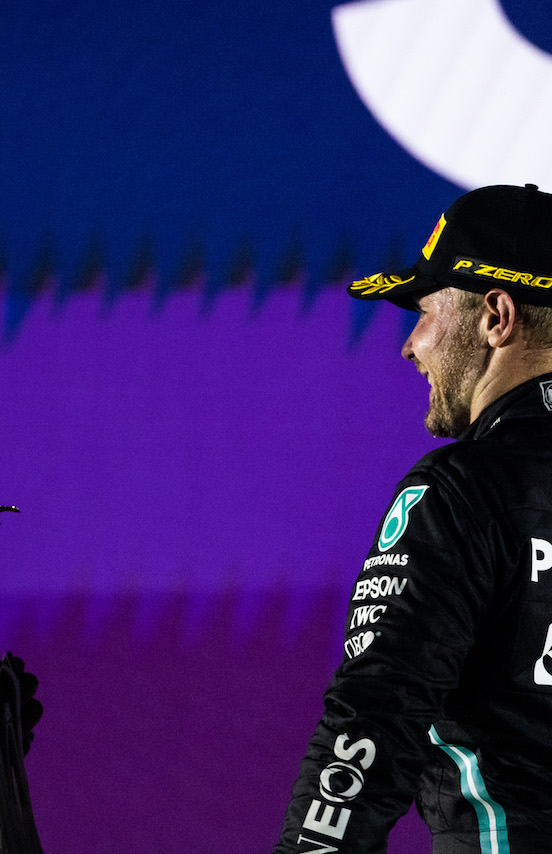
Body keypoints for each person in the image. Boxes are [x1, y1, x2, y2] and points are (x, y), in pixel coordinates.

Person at [275, 184, 552, 852]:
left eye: (425, 310)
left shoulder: (462, 492)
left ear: (496, 316)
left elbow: (370, 725)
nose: (411, 345)